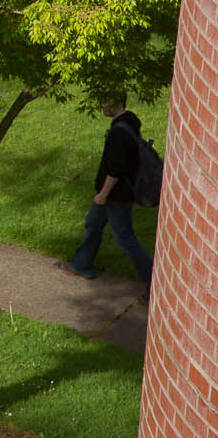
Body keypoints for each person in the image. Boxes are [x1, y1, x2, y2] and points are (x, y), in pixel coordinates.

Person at [56, 95, 154, 298]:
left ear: (118, 102)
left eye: (105, 100)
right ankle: (82, 264)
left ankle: (154, 285)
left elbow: (116, 169)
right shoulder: (128, 122)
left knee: (126, 239)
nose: (101, 104)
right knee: (93, 224)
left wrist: (103, 194)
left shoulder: (119, 133)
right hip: (112, 194)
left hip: (115, 196)